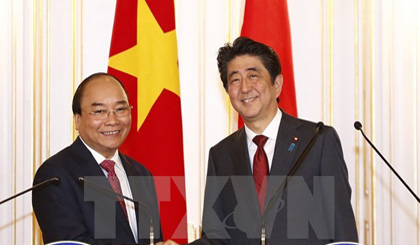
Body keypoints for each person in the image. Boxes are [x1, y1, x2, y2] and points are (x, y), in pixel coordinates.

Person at [189, 37, 359, 244]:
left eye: (253, 76)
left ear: (276, 84)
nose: (244, 88)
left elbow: (341, 226)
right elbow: (215, 236)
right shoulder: (221, 154)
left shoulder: (317, 140)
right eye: (235, 79)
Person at [32, 73, 163, 244]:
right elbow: (72, 242)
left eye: (121, 109)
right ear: (77, 120)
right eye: (100, 111)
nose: (112, 120)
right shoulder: (55, 177)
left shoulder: (141, 174)